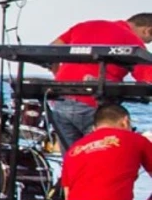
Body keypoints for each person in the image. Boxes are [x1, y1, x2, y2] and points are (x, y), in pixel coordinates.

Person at [43, 12, 152, 151]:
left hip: (60, 101)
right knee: (101, 157)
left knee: (72, 159)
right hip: (95, 104)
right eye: (149, 40)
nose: (146, 44)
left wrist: (59, 74)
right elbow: (149, 77)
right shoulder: (132, 41)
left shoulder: (85, 25)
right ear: (147, 30)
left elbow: (51, 50)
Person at [57, 103, 152, 200]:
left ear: (95, 127)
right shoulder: (134, 139)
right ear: (125, 121)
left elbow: (68, 194)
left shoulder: (75, 149)